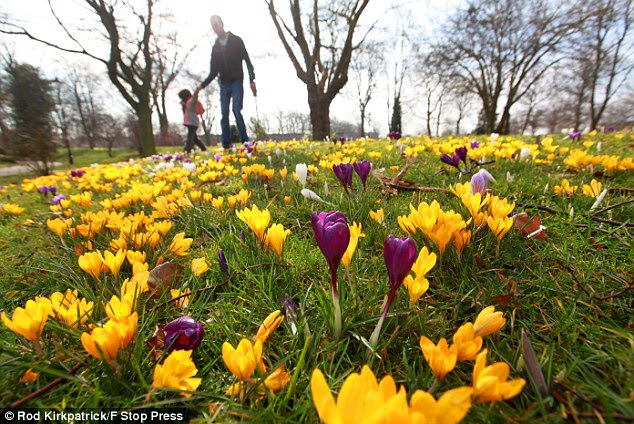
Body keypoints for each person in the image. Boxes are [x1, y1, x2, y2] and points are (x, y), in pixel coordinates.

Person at [198, 15, 256, 149]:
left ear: (222, 23)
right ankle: (226, 144)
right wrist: (202, 86)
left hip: (237, 81)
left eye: (216, 23)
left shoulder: (236, 41)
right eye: (212, 25)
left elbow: (247, 61)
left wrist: (251, 80)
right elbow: (213, 71)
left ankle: (245, 141)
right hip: (223, 83)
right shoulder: (216, 47)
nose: (215, 27)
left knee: (236, 110)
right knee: (224, 113)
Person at [178, 88, 207, 154]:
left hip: (193, 122)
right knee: (195, 138)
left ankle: (186, 151)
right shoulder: (186, 103)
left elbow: (195, 96)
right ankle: (203, 148)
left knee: (190, 139)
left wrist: (197, 90)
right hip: (189, 122)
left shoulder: (192, 101)